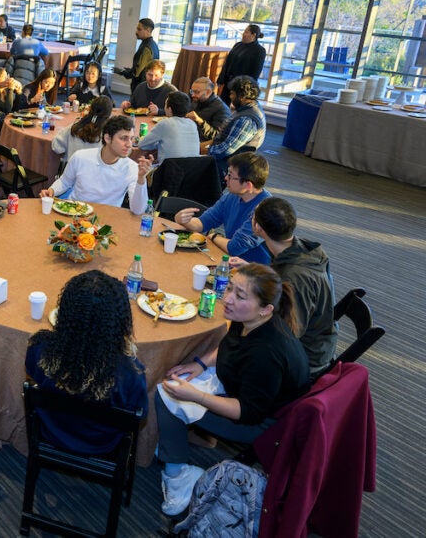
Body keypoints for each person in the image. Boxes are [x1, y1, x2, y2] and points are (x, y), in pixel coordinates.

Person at [157, 263, 310, 515]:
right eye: (229, 288)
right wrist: (199, 364)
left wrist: (196, 396)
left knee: (166, 394)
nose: (227, 299)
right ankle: (169, 440)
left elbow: (246, 412)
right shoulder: (250, 320)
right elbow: (231, 347)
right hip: (239, 386)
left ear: (265, 309)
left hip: (261, 424)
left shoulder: (266, 353)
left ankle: (178, 477)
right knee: (175, 380)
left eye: (239, 296)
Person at [25, 270, 148, 454]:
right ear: (118, 320)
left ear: (66, 312)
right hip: (101, 443)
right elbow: (140, 414)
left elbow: (33, 374)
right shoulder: (129, 373)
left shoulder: (39, 349)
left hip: (52, 430)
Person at [252, 197, 337, 376]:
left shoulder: (292, 278)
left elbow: (286, 335)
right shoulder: (303, 250)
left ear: (258, 227)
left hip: (306, 358)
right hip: (320, 340)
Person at [174, 151, 272, 264]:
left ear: (248, 185)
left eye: (230, 175)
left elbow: (235, 248)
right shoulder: (231, 196)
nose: (225, 178)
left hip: (254, 270)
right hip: (230, 260)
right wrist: (184, 221)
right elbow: (203, 223)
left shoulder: (265, 209)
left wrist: (214, 236)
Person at [41, 115, 152, 214]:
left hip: (107, 220)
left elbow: (138, 210)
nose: (129, 144)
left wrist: (141, 179)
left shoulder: (131, 168)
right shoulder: (81, 157)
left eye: (131, 139)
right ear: (107, 138)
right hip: (75, 213)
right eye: (123, 138)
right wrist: (52, 190)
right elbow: (65, 182)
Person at [208, 76, 266, 175]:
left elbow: (226, 149)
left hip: (229, 165)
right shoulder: (252, 107)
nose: (230, 97)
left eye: (232, 94)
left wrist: (205, 151)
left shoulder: (246, 120)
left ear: (242, 96)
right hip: (231, 159)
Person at [137, 91, 200, 160]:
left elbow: (142, 144)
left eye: (165, 104)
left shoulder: (165, 123)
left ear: (169, 109)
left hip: (168, 169)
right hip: (192, 169)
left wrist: (159, 144)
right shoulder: (192, 124)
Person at [216, 24, 267, 105]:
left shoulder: (259, 50)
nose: (243, 34)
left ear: (253, 35)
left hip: (241, 86)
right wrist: (221, 78)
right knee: (222, 105)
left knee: (236, 108)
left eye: (246, 32)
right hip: (228, 82)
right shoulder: (238, 45)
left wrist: (246, 88)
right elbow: (227, 63)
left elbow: (255, 72)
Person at [114, 18, 159, 91]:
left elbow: (136, 73)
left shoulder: (146, 48)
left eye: (139, 29)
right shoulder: (153, 45)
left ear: (148, 30)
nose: (136, 32)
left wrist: (122, 72)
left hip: (141, 88)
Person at [184, 76, 231, 142]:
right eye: (192, 91)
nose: (193, 95)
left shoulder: (222, 109)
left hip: (203, 146)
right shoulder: (197, 101)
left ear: (208, 92)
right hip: (189, 137)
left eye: (197, 92)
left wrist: (200, 122)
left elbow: (217, 136)